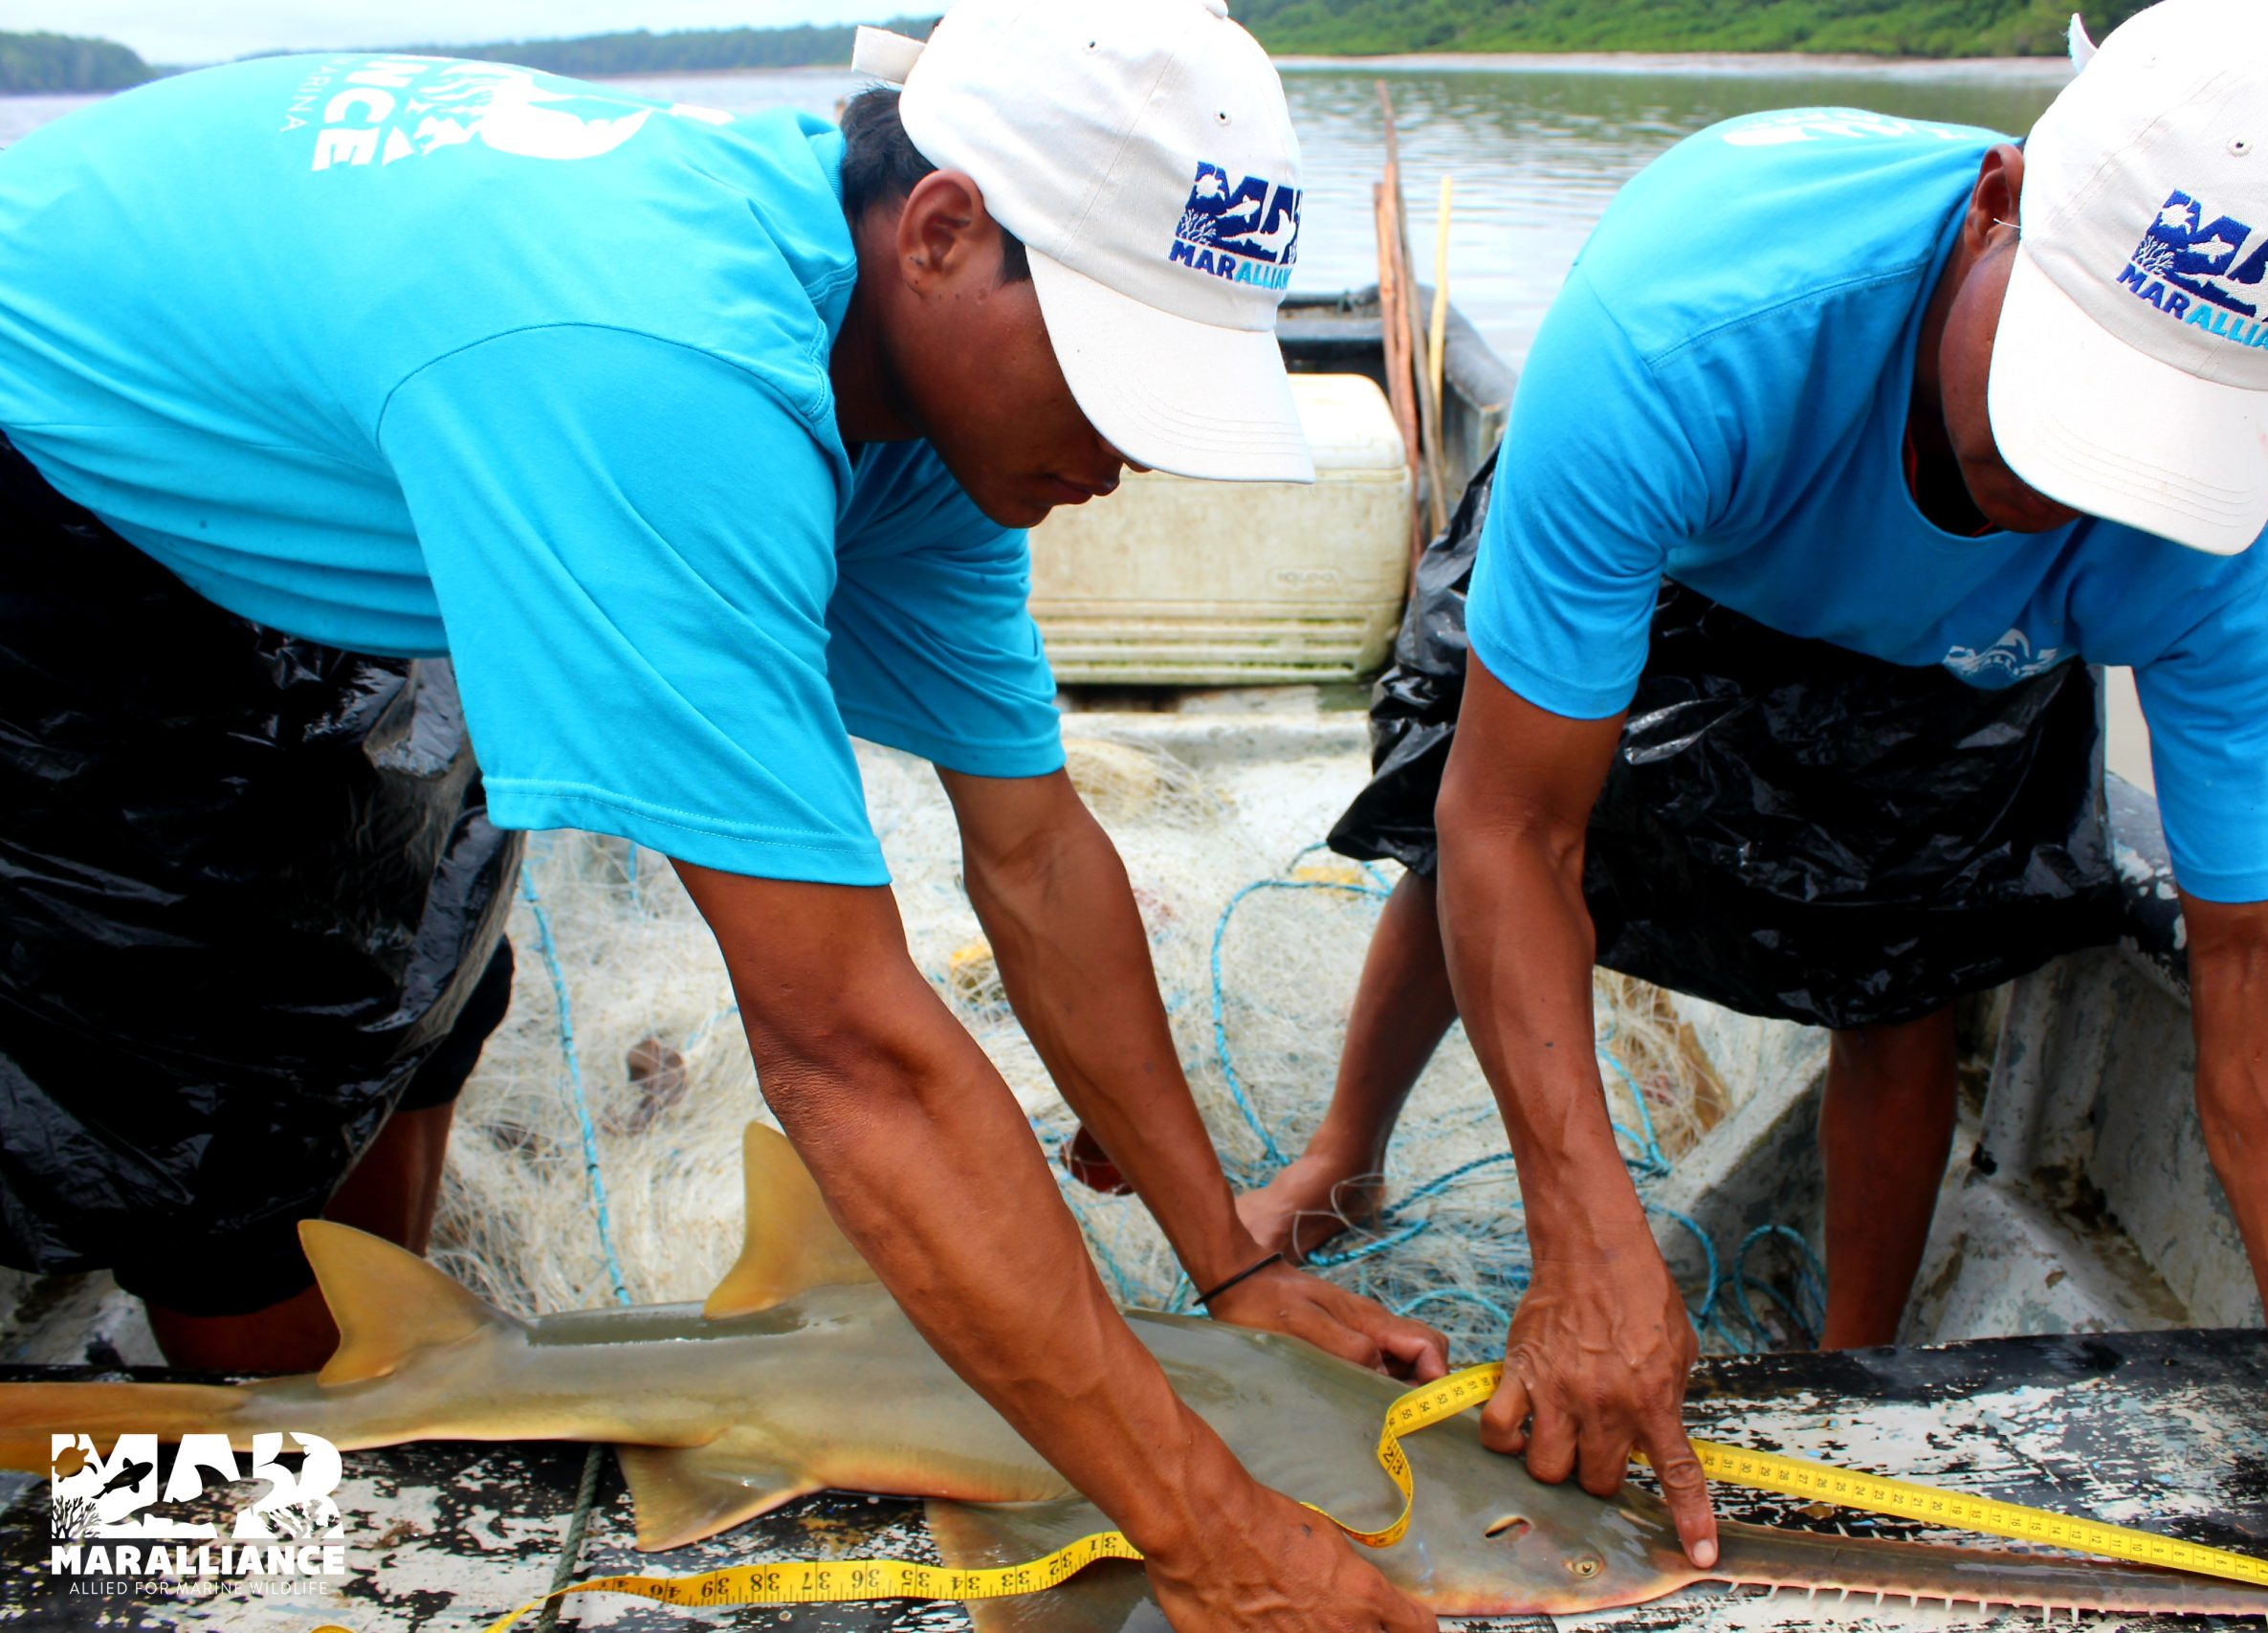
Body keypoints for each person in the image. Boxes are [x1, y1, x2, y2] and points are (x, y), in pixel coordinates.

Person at [0, 1, 1456, 1627]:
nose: (1132, 451)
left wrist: (1233, 1263)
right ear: (941, 231)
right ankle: (265, 1526)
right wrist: (1207, 1532)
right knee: (206, 1084)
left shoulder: (927, 413)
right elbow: (845, 1050)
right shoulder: (668, 379)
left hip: (337, 431)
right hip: (47, 476)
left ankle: (387, 1357)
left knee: (421, 966)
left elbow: (1036, 853)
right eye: (1117, 374)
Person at [1239, 0, 2268, 1605]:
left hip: (1981, 653)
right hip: (1707, 536)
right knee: (1462, 824)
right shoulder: (1696, 325)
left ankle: (1853, 1372)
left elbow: (2264, 952)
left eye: (2165, 447)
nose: (2074, 487)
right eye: (2073, 391)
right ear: (2000, 199)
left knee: (1912, 957)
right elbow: (1508, 829)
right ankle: (1347, 1151)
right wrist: (1587, 1244)